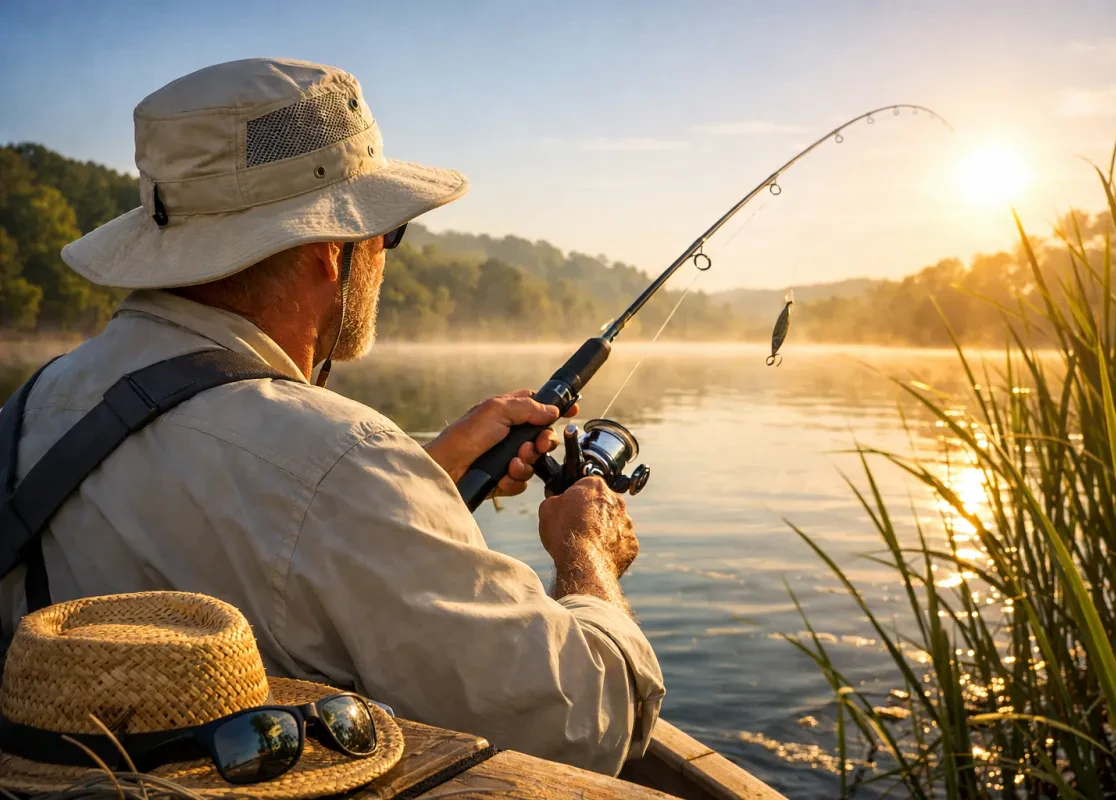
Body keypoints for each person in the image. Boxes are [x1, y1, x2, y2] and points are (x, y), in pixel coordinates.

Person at [0, 58, 663, 777]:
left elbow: (253, 526)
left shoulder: (34, 404)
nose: (384, 255)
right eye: (387, 234)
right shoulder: (344, 463)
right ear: (328, 253)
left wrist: (424, 477)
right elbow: (587, 723)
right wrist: (587, 553)